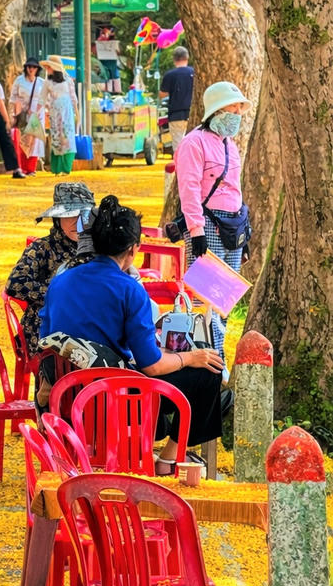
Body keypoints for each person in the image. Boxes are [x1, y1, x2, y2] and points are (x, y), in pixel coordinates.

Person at [41, 195, 226, 472]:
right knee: (208, 371)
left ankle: (161, 448)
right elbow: (151, 366)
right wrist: (190, 357)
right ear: (133, 249)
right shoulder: (130, 289)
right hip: (117, 399)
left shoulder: (60, 282)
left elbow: (46, 341)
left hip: (69, 394)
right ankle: (169, 458)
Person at [175, 80, 251, 359]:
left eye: (239, 108)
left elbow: (235, 189)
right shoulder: (193, 143)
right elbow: (189, 189)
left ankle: (218, 358)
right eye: (232, 107)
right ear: (217, 110)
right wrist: (196, 231)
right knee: (206, 299)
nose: (237, 114)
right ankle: (209, 359)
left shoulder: (231, 146)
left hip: (233, 226)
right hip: (206, 226)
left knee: (225, 298)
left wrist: (246, 233)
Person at [6, 182, 95, 348]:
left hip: (88, 329)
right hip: (45, 333)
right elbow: (15, 284)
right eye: (70, 215)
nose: (77, 222)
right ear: (57, 218)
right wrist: (61, 295)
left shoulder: (99, 248)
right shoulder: (42, 248)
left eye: (83, 215)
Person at [41, 57, 78, 175]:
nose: (47, 69)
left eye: (49, 66)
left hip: (67, 112)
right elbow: (42, 98)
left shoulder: (68, 80)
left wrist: (77, 113)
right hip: (55, 112)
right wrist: (37, 111)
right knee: (56, 139)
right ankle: (56, 169)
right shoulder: (47, 82)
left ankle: (66, 168)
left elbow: (73, 97)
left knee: (68, 138)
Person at [9, 58, 46, 174]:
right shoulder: (19, 80)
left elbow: (45, 98)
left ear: (37, 69)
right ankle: (21, 166)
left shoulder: (41, 82)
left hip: (37, 113)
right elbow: (13, 97)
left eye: (34, 67)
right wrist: (16, 113)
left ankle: (31, 168)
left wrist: (36, 111)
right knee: (22, 140)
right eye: (29, 67)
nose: (31, 69)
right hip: (22, 112)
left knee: (34, 141)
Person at [158, 46, 195, 150]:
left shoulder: (170, 75)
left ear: (174, 59)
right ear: (187, 58)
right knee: (194, 145)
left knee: (179, 147)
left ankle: (180, 166)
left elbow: (162, 94)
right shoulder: (195, 72)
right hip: (193, 113)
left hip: (176, 115)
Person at [95, 26, 121, 93]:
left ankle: (116, 91)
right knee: (107, 75)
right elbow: (96, 51)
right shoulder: (100, 40)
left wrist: (116, 51)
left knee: (114, 75)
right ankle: (108, 91)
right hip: (104, 61)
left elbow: (118, 52)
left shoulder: (114, 41)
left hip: (112, 61)